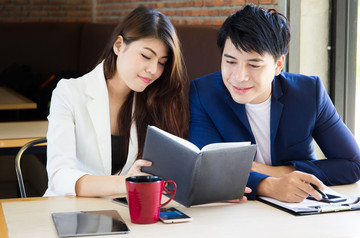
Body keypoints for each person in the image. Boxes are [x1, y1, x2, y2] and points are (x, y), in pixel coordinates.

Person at [189, 4, 360, 202]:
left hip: (299, 210)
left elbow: (353, 164)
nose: (239, 76)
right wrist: (267, 185)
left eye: (254, 65)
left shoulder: (309, 93)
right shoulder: (205, 93)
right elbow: (204, 167)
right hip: (236, 213)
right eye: (230, 62)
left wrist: (277, 172)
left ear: (278, 65)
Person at [44, 7, 189, 197]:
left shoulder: (155, 100)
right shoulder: (69, 92)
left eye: (162, 62)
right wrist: (126, 183)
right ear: (119, 46)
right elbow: (59, 176)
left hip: (127, 213)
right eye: (146, 56)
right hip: (71, 213)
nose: (154, 69)